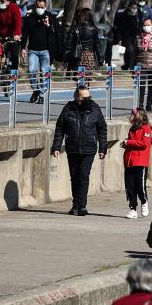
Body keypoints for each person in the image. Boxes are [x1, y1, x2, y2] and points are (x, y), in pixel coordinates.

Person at [51, 85, 108, 216]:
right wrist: (56, 147)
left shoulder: (95, 109)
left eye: (89, 97)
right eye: (84, 97)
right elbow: (60, 128)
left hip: (89, 149)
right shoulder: (68, 108)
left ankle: (82, 206)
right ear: (77, 97)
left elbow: (102, 130)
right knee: (74, 177)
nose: (87, 99)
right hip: (72, 148)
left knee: (83, 176)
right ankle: (75, 205)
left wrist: (102, 148)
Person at [20, 0, 58, 103]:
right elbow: (25, 34)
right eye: (38, 7)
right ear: (35, 6)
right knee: (32, 70)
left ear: (45, 7)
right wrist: (23, 48)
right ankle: (36, 90)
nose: (40, 9)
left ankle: (41, 95)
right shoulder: (29, 18)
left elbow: (55, 33)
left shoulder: (49, 17)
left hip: (46, 50)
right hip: (33, 50)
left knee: (44, 73)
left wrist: (48, 25)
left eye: (42, 7)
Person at [121, 108, 152, 219]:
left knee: (140, 185)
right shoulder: (132, 129)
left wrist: (128, 142)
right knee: (129, 186)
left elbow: (144, 143)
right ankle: (132, 208)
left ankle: (144, 201)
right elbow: (133, 143)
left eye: (132, 115)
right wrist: (125, 144)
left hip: (140, 162)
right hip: (129, 161)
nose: (129, 117)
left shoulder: (146, 129)